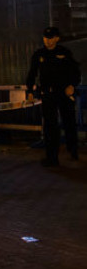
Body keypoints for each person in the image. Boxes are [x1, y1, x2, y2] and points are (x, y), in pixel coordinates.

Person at [26, 26, 81, 166]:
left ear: (57, 38)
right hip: (48, 94)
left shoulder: (64, 52)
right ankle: (52, 157)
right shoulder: (39, 54)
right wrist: (30, 91)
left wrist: (72, 86)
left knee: (69, 123)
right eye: (46, 38)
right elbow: (32, 74)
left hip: (63, 93)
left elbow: (75, 72)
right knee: (50, 126)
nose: (48, 41)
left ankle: (73, 150)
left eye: (51, 38)